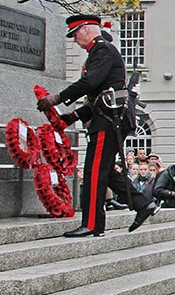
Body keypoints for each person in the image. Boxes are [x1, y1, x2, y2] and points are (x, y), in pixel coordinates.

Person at [37, 14, 158, 237]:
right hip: (109, 117)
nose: (75, 41)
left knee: (94, 171)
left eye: (75, 35)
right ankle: (143, 203)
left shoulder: (101, 50)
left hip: (109, 122)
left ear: (85, 30)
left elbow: (89, 84)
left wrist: (57, 98)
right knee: (106, 171)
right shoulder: (102, 51)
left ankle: (92, 223)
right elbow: (98, 98)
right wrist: (69, 118)